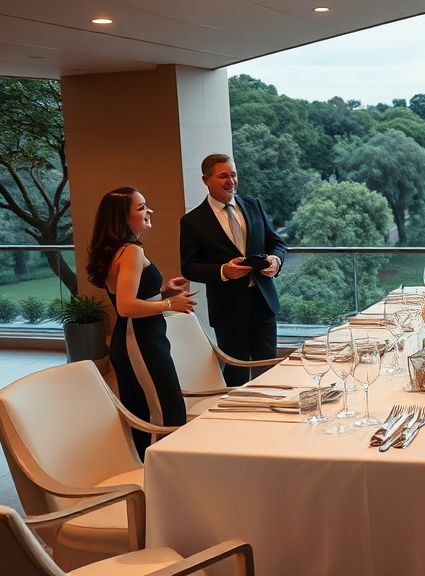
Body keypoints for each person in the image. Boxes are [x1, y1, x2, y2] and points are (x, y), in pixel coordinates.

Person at [87, 187, 197, 459]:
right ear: (123, 218)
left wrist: (165, 293)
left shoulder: (123, 250)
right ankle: (164, 471)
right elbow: (125, 307)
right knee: (164, 413)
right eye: (141, 207)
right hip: (138, 341)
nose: (150, 211)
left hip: (142, 339)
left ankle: (157, 472)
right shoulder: (131, 251)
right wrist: (169, 304)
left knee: (151, 409)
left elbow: (132, 297)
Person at [180, 153, 288, 386]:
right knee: (236, 375)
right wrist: (222, 271)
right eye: (223, 176)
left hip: (263, 302)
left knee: (268, 372)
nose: (231, 181)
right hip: (227, 309)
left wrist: (275, 261)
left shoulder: (254, 204)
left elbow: (276, 243)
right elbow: (189, 267)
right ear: (206, 180)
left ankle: (268, 408)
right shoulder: (192, 221)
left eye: (233, 174)